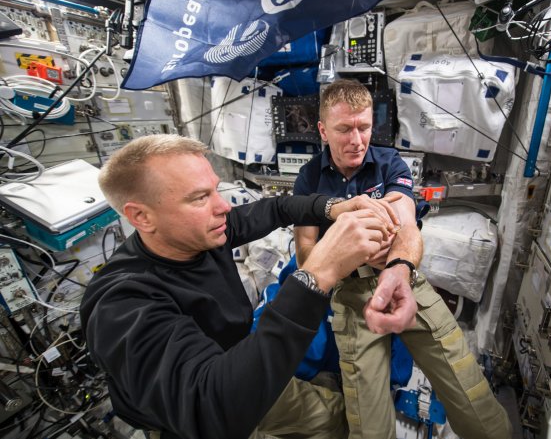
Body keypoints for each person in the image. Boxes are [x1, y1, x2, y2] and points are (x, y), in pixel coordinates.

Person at [79, 134, 415, 439]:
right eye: (199, 198)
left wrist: (331, 206)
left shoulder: (203, 235)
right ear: (142, 217)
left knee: (328, 418)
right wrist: (316, 275)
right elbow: (213, 410)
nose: (223, 206)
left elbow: (275, 208)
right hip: (207, 415)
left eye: (215, 189)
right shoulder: (121, 304)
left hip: (247, 364)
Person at [294, 80, 512, 439]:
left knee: (469, 390)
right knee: (369, 424)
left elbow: (406, 223)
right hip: (350, 295)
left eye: (364, 127)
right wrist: (344, 248)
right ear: (322, 130)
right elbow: (305, 250)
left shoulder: (388, 163)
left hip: (401, 276)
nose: (357, 140)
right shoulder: (309, 179)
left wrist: (398, 265)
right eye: (344, 129)